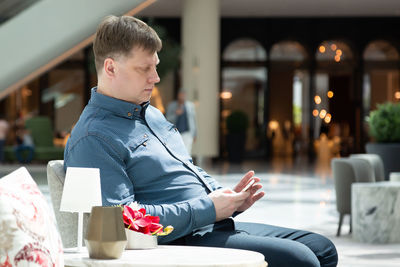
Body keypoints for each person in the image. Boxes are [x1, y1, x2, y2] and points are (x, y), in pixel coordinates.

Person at [64, 15, 337, 267]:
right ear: (110, 67)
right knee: (302, 261)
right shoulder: (93, 138)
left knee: (322, 248)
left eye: (155, 67)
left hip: (212, 224)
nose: (155, 78)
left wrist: (228, 198)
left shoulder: (152, 115)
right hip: (181, 239)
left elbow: (185, 171)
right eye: (144, 68)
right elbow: (124, 222)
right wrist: (209, 208)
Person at [166, 90, 197, 154]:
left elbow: (194, 120)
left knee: (187, 151)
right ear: (178, 96)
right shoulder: (171, 105)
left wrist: (195, 134)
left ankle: (186, 164)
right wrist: (176, 114)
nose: (182, 97)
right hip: (175, 133)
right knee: (176, 152)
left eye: (184, 95)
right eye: (181, 95)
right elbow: (167, 119)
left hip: (187, 133)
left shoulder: (190, 106)